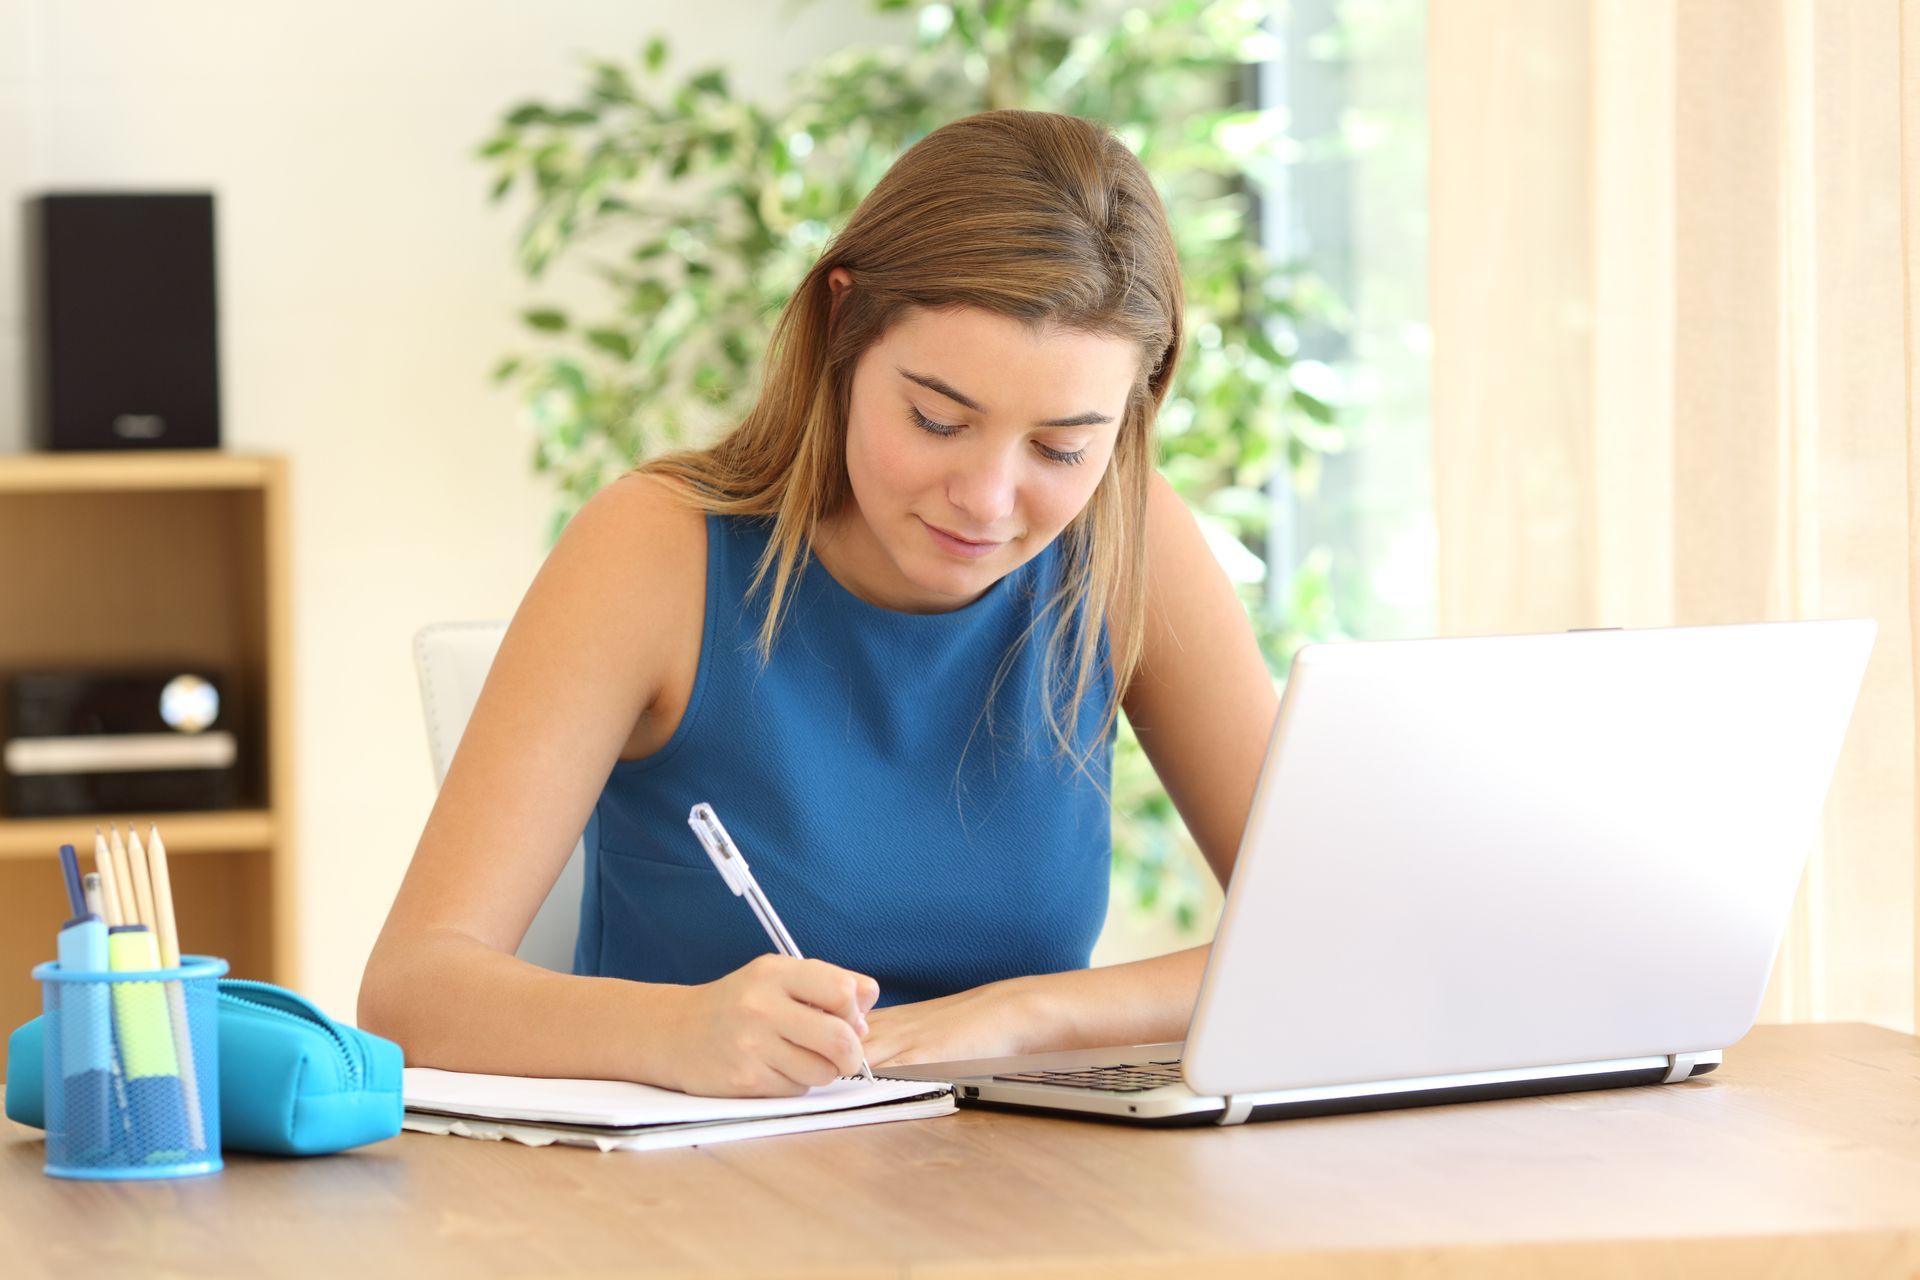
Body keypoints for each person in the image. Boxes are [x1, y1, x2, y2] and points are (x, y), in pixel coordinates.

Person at [358, 109, 1277, 1098]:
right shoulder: (655, 550)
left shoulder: (1128, 538)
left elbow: (1341, 933)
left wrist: (1017, 1011)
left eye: (1061, 447)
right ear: (844, 322)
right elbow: (412, 990)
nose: (988, 497)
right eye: (936, 417)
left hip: (1012, 1201)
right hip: (697, 1205)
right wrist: (679, 1026)